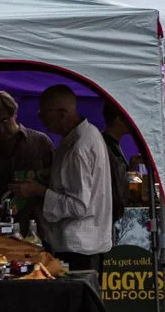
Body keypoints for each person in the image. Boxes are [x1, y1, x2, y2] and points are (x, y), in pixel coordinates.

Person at [32, 86, 114, 276]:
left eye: (43, 114)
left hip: (78, 248)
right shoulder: (89, 134)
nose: (41, 119)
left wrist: (39, 191)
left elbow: (78, 206)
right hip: (87, 244)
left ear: (62, 113)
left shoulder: (79, 147)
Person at [0, 90, 54, 228]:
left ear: (14, 114)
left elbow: (61, 187)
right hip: (1, 232)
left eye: (4, 121)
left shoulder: (40, 143)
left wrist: (37, 190)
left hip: (40, 229)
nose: (0, 129)